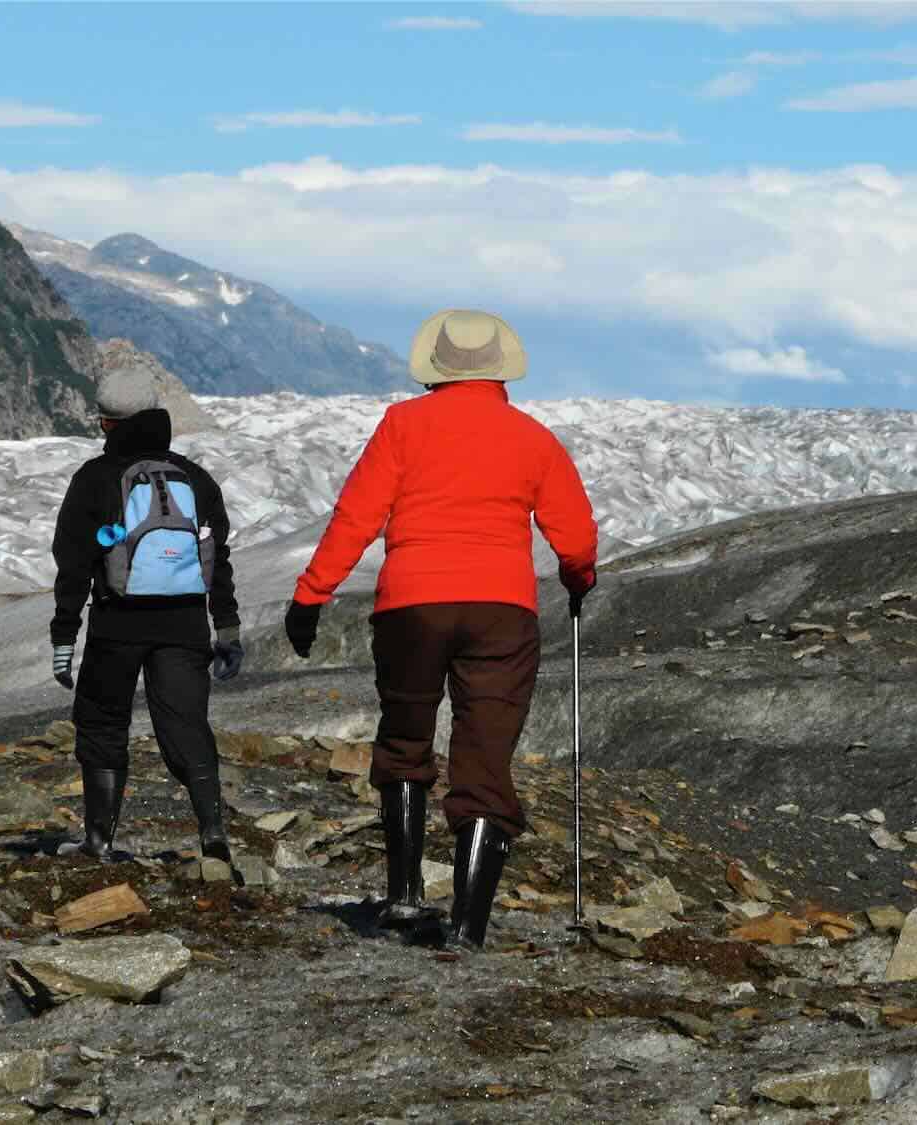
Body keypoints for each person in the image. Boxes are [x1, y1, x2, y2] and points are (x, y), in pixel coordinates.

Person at [285, 309, 597, 949]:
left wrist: (311, 594)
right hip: (501, 613)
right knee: (484, 758)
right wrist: (578, 579)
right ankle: (468, 927)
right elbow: (577, 537)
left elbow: (356, 516)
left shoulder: (402, 427)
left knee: (405, 737)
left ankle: (402, 897)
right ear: (501, 368)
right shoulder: (532, 437)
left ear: (438, 367)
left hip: (411, 606)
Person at [50, 367, 242, 865]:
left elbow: (72, 563)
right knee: (186, 726)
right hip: (184, 625)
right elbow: (217, 556)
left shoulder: (95, 478)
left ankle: (98, 841)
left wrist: (64, 637)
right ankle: (214, 836)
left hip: (118, 624)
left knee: (102, 723)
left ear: (107, 424)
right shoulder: (194, 477)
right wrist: (227, 627)